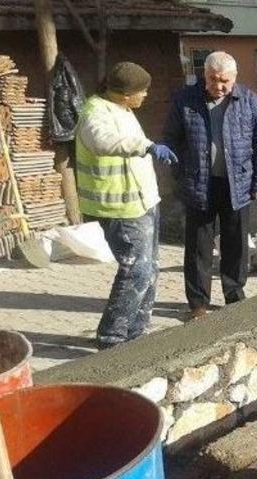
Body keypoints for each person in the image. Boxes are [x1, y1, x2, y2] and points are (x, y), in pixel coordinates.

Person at [75, 62, 178, 349]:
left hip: (143, 203)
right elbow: (103, 141)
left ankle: (137, 332)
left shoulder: (123, 110)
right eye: (141, 91)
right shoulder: (94, 113)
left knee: (150, 268)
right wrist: (146, 146)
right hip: (119, 209)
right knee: (136, 270)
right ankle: (112, 337)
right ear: (123, 94)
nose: (145, 95)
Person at [163, 51, 257, 319]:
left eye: (224, 81)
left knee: (236, 245)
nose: (219, 86)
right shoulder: (185, 99)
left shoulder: (249, 100)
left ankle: (234, 295)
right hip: (199, 185)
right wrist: (181, 177)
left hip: (239, 184)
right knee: (199, 247)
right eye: (213, 80)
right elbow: (170, 140)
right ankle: (198, 303)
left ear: (234, 78)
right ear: (205, 75)